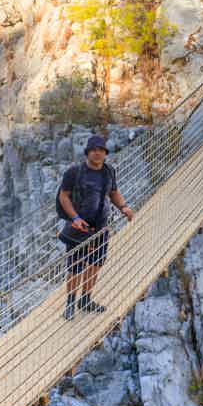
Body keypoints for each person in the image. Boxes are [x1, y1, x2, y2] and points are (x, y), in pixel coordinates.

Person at [56, 134, 134, 320]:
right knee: (76, 266)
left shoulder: (109, 171)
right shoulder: (74, 172)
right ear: (88, 153)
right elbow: (63, 196)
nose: (98, 153)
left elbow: (113, 192)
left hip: (101, 226)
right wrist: (74, 218)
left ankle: (85, 300)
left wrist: (123, 207)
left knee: (95, 264)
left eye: (101, 150)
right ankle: (70, 304)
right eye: (94, 150)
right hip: (79, 227)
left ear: (105, 153)